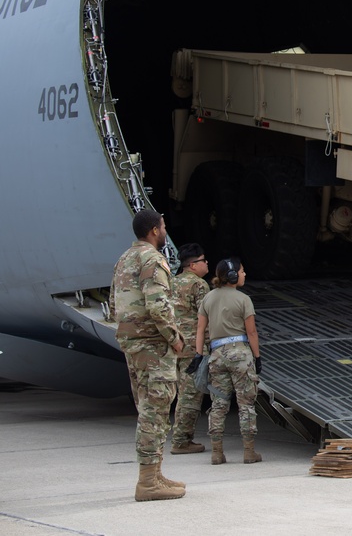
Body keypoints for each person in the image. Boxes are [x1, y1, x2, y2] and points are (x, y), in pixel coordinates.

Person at [109, 208, 186, 501]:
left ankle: (154, 474)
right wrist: (175, 338)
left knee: (148, 409)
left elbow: (114, 305)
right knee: (155, 413)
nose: (165, 229)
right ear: (154, 230)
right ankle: (147, 482)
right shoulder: (153, 260)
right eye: (163, 225)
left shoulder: (123, 260)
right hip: (153, 346)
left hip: (134, 344)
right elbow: (158, 306)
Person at [191, 257, 262, 465]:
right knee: (246, 403)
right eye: (241, 271)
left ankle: (217, 453)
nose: (244, 274)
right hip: (240, 355)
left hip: (217, 355)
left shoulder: (208, 298)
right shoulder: (243, 299)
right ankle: (249, 452)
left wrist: (199, 355)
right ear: (232, 276)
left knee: (219, 404)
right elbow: (252, 332)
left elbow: (200, 329)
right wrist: (257, 357)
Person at [169, 243, 210, 455]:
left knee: (177, 392)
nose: (207, 263)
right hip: (193, 347)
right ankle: (181, 440)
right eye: (204, 260)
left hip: (174, 344)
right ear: (193, 265)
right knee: (190, 395)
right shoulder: (199, 285)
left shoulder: (171, 282)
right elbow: (206, 319)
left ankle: (180, 437)